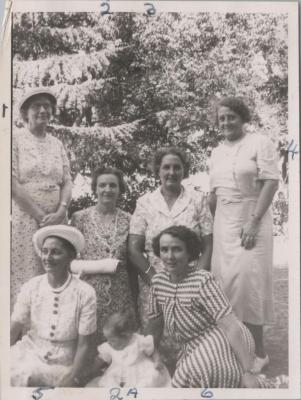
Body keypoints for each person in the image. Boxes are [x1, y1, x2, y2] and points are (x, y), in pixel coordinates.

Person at [148, 225, 281, 388]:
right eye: (164, 250)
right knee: (189, 380)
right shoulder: (158, 282)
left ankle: (262, 384)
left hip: (222, 336)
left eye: (177, 249)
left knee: (194, 373)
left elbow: (231, 327)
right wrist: (152, 355)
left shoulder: (202, 280)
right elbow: (154, 325)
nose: (170, 256)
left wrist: (248, 371)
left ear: (189, 252)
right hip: (191, 345)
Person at [208, 97, 279, 373]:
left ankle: (259, 352)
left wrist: (253, 222)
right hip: (223, 222)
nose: (226, 122)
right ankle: (234, 348)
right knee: (224, 284)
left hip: (253, 218)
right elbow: (214, 194)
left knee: (250, 284)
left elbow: (271, 183)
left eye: (231, 117)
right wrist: (210, 227)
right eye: (221, 118)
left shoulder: (260, 142)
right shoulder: (216, 152)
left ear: (243, 118)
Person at [129, 147, 213, 328]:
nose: (171, 172)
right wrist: (156, 282)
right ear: (158, 170)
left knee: (192, 335)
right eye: (166, 167)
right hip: (154, 283)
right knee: (154, 343)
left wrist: (195, 282)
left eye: (177, 167)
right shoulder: (145, 203)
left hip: (191, 284)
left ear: (184, 170)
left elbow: (208, 246)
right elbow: (134, 250)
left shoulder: (198, 200)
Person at [10, 225, 97, 387]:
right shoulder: (31, 286)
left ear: (71, 256)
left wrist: (72, 376)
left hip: (65, 363)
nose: (48, 257)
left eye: (56, 252)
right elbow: (13, 328)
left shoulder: (85, 292)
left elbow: (85, 344)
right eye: (45, 251)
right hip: (30, 354)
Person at [12, 88, 72, 309]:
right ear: (25, 112)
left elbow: (67, 181)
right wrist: (39, 215)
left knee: (55, 273)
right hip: (27, 219)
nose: (43, 110)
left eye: (47, 106)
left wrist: (62, 210)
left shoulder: (56, 143)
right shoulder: (15, 139)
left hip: (57, 220)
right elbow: (11, 183)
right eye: (37, 105)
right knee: (28, 274)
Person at [71, 166, 136, 346]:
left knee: (118, 346)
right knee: (88, 345)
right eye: (102, 185)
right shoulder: (79, 218)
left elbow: (132, 259)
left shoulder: (130, 219)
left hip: (120, 293)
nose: (107, 190)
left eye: (113, 186)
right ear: (95, 188)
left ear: (120, 189)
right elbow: (70, 261)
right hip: (88, 292)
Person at [86, 310, 171, 387]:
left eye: (113, 340)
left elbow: (152, 351)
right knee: (111, 381)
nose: (109, 343)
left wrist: (157, 360)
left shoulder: (138, 341)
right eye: (108, 340)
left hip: (140, 371)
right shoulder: (109, 346)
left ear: (126, 336)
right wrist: (91, 369)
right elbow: (101, 359)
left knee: (148, 381)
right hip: (118, 372)